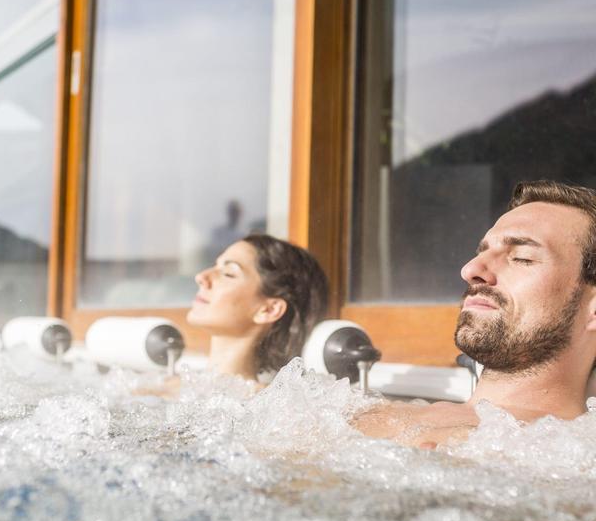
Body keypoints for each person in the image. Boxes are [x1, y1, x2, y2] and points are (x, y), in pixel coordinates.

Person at [353, 180, 596, 448]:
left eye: (522, 257)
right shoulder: (371, 413)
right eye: (481, 252)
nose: (470, 269)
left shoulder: (571, 459)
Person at [136, 234, 329, 397]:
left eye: (228, 273)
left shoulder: (272, 408)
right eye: (215, 266)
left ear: (268, 310)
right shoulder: (162, 389)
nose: (201, 277)